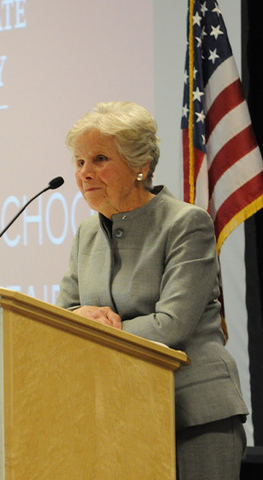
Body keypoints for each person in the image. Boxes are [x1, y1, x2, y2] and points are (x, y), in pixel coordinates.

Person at [56, 101, 249, 480]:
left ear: (139, 165)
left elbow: (171, 325)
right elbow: (63, 317)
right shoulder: (87, 235)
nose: (85, 174)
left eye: (98, 159)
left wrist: (93, 329)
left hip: (193, 412)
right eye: (79, 162)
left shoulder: (186, 224)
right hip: (119, 414)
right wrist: (75, 319)